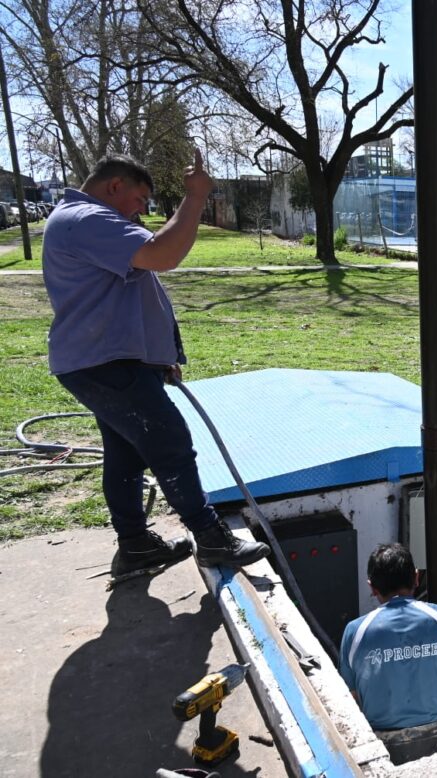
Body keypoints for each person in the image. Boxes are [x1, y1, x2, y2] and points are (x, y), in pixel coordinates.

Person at [42, 152, 270, 574]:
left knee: (126, 454)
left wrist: (159, 358)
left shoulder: (82, 221)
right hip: (105, 362)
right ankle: (211, 537)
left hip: (106, 359)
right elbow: (162, 255)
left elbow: (132, 293)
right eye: (139, 198)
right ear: (115, 186)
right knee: (169, 440)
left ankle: (135, 545)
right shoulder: (86, 220)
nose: (141, 210)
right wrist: (196, 198)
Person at [339, 544, 437, 765]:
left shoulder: (355, 632)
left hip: (382, 749)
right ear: (415, 578)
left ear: (372, 587)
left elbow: (352, 705)